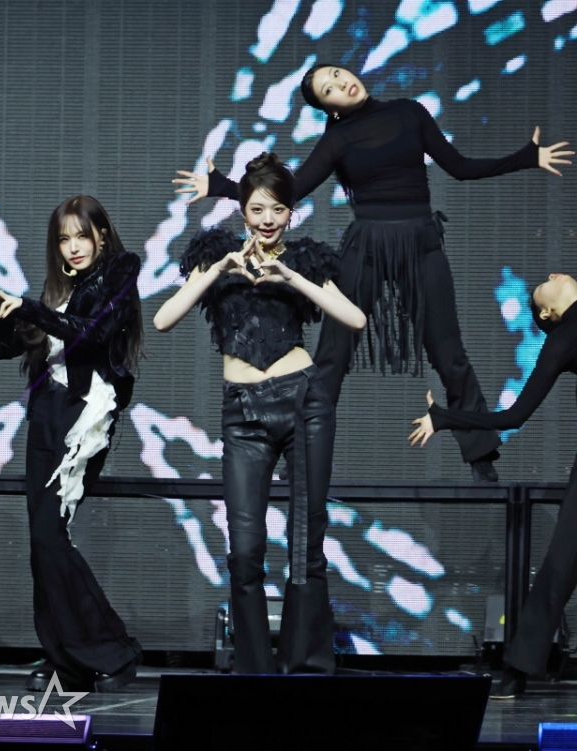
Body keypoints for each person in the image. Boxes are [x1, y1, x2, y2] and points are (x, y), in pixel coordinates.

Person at [175, 63, 571, 481]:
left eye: (336, 74)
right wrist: (222, 186)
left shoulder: (409, 112)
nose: (341, 83)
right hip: (366, 248)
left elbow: (460, 167)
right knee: (333, 353)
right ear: (329, 108)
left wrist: (526, 157)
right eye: (328, 89)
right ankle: (301, 454)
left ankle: (481, 455)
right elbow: (289, 192)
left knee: (449, 352)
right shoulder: (338, 138)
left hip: (419, 243)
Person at [157, 154, 366, 674]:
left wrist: (291, 276)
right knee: (245, 550)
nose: (268, 219)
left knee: (305, 544)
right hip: (243, 414)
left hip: (303, 403)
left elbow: (355, 317)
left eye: (278, 209)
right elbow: (163, 319)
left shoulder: (303, 259)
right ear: (242, 210)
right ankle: (254, 672)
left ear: (291, 213)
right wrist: (220, 270)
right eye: (257, 208)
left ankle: (305, 668)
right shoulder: (216, 253)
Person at [0, 195, 143, 692]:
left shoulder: (120, 270)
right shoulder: (59, 290)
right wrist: (4, 315)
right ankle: (65, 661)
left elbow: (94, 335)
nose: (73, 247)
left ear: (101, 235)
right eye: (63, 239)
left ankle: (114, 650)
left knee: (50, 534)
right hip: (47, 411)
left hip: (87, 411)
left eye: (81, 236)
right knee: (41, 540)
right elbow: (11, 349)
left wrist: (32, 308)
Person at [409, 272, 577, 698]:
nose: (551, 275)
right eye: (542, 287)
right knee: (561, 566)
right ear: (547, 312)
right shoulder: (562, 339)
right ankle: (518, 669)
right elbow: (513, 416)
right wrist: (446, 418)